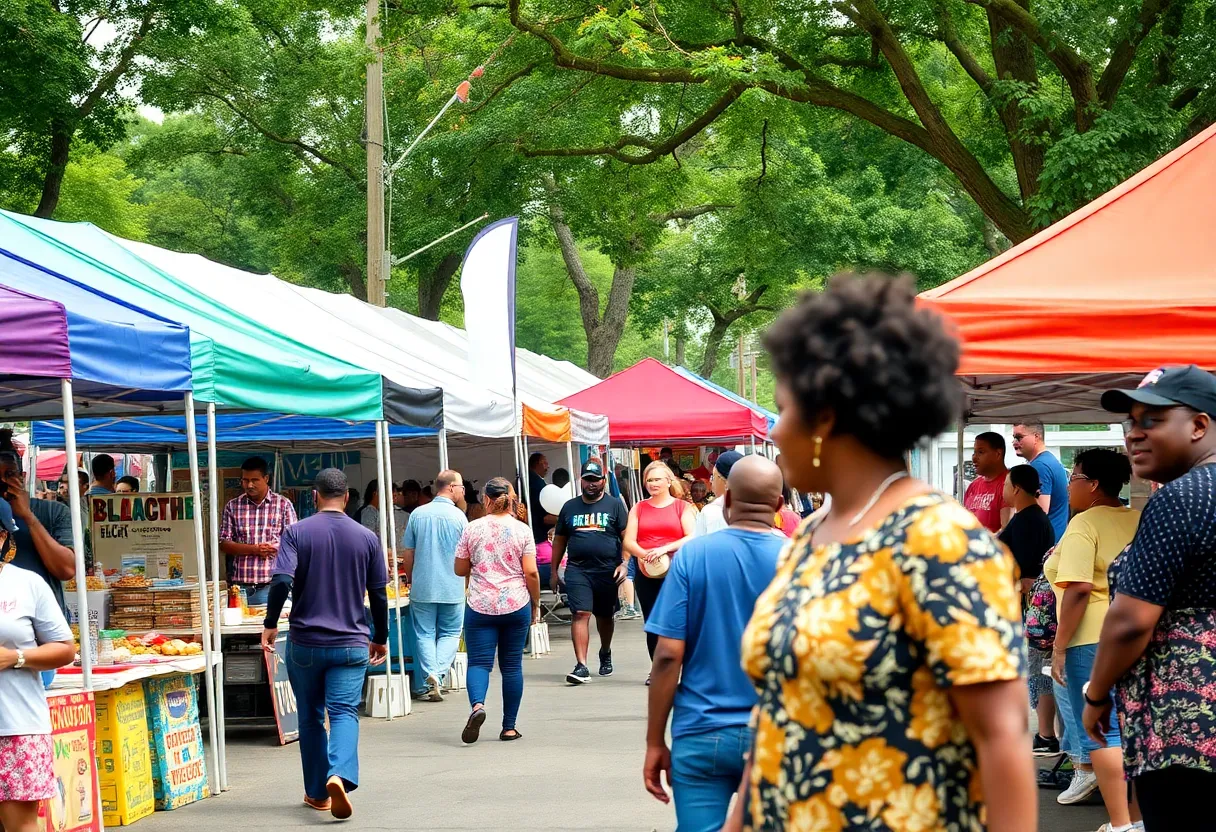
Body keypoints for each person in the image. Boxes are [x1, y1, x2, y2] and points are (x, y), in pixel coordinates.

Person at [728, 274, 1034, 832]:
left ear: (824, 418)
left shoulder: (937, 539)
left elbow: (1003, 735)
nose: (773, 432)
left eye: (782, 410)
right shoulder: (811, 535)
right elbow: (781, 708)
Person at [1084, 366, 1216, 830]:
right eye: (1130, 423)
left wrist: (1096, 694)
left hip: (1187, 728)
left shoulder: (1183, 498)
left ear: (1199, 425)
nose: (1134, 435)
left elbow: (1130, 621)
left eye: (1152, 420)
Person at [644, 456, 785, 832]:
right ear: (780, 506)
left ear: (726, 501)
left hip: (702, 732)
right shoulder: (801, 559)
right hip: (779, 734)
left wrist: (655, 740)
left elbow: (668, 655)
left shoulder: (694, 555)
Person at [260, 469, 387, 820]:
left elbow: (282, 581)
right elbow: (378, 594)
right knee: (344, 712)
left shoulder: (296, 532)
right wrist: (380, 637)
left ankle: (317, 793)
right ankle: (339, 774)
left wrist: (270, 623)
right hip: (351, 643)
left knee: (312, 717)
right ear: (347, 497)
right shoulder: (367, 537)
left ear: (314, 496)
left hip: (305, 643)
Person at [1043, 449, 1138, 824]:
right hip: (1135, 633)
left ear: (1093, 484)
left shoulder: (1084, 524)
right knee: (1131, 729)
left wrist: (1059, 647)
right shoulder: (1139, 518)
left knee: (1100, 730)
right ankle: (1135, 817)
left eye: (1074, 477)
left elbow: (1079, 588)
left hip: (1090, 637)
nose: (1069, 485)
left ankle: (1120, 822)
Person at [0, 498, 77, 832]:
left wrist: (16, 657)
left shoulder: (27, 584)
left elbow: (64, 649)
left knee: (20, 826)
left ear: (3, 537)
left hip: (16, 727)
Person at [454, 478, 539, 744]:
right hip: (515, 603)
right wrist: (534, 603)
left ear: (486, 499)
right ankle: (509, 727)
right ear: (510, 499)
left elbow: (459, 569)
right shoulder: (522, 530)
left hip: (480, 604)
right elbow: (532, 572)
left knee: (479, 663)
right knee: (512, 666)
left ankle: (477, 706)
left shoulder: (472, 528)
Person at [998, 464, 1060, 757]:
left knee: (1039, 670)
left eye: (1006, 484)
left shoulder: (1028, 521)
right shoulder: (1028, 518)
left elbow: (1024, 576)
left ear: (1017, 488)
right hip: (1035, 610)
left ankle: (1046, 734)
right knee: (1037, 670)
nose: (1003, 490)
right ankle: (1046, 732)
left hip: (1036, 612)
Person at [551, 460, 629, 684]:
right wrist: (555, 571)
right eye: (587, 480)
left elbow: (627, 537)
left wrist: (624, 563)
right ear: (581, 481)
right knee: (581, 613)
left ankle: (605, 651)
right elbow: (559, 540)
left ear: (603, 481)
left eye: (595, 480)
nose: (591, 484)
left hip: (607, 570)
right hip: (578, 569)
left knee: (605, 615)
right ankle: (581, 665)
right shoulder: (570, 507)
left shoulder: (614, 505)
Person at [402, 469, 467, 702]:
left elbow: (408, 554)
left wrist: (409, 579)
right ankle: (437, 673)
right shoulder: (460, 517)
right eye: (460, 487)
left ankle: (431, 674)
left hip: (423, 585)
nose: (462, 491)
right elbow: (466, 555)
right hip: (453, 584)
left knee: (424, 633)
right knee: (450, 632)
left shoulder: (417, 514)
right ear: (450, 487)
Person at [623, 461, 696, 669]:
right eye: (649, 480)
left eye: (657, 479)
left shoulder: (682, 507)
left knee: (677, 620)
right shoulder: (639, 507)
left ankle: (681, 666)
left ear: (668, 481)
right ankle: (657, 669)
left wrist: (665, 549)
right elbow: (629, 541)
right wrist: (645, 555)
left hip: (677, 571)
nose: (652, 484)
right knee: (653, 622)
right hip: (646, 572)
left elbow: (691, 536)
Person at [0, 452, 76, 613]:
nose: (2, 482)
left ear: (22, 476)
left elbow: (67, 569)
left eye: (9, 474)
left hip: (43, 622)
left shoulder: (53, 512)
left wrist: (28, 517)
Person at [219, 456, 297, 606]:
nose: (249, 485)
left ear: (266, 478)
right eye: (245, 480)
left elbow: (295, 544)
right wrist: (254, 549)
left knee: (272, 629)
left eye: (254, 480)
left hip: (272, 586)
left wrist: (274, 548)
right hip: (240, 589)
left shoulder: (283, 505)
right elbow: (223, 544)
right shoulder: (233, 506)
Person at [1012, 419, 1070, 542]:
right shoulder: (1047, 461)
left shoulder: (1040, 466)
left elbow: (1039, 512)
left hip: (1045, 546)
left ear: (1036, 437)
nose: (1014, 442)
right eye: (1014, 437)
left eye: (1019, 437)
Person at [964, 431, 1010, 533]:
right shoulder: (973, 486)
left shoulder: (1009, 485)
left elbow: (1006, 531)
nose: (974, 458)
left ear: (998, 454)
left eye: (980, 452)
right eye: (974, 452)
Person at [693, 451, 743, 537]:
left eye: (713, 476)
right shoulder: (759, 506)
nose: (711, 481)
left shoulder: (711, 511)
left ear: (724, 480)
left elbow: (699, 544)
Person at [358, 479, 407, 547]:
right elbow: (369, 538)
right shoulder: (369, 511)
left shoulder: (399, 513)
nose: (394, 494)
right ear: (376, 493)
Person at [527, 452, 550, 545]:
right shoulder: (536, 483)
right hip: (538, 531)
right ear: (536, 464)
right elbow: (541, 514)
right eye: (544, 463)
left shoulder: (528, 479)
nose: (547, 466)